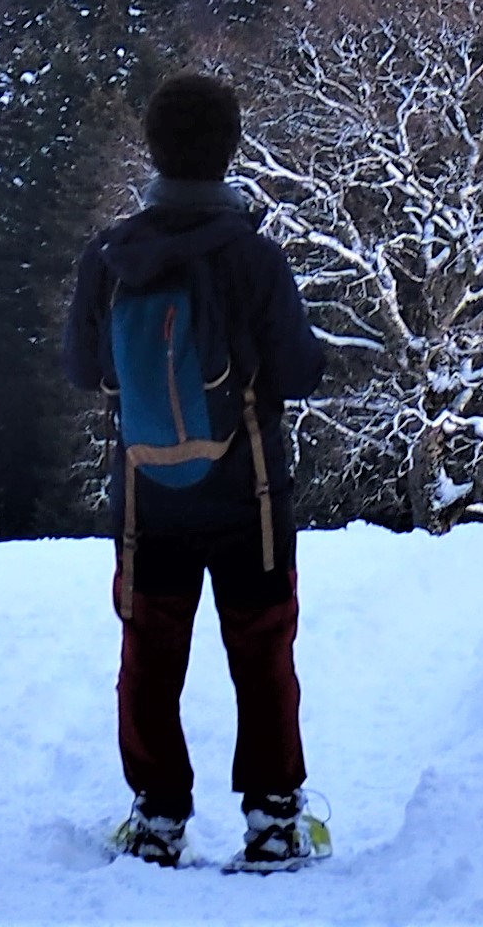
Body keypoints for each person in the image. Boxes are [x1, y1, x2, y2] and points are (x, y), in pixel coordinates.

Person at [61, 69, 329, 874]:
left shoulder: (109, 257)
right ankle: (274, 822)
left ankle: (156, 820)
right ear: (229, 149)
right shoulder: (255, 256)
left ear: (153, 149)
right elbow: (300, 371)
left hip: (147, 500)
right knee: (261, 652)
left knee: (149, 655)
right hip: (249, 496)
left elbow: (82, 369)